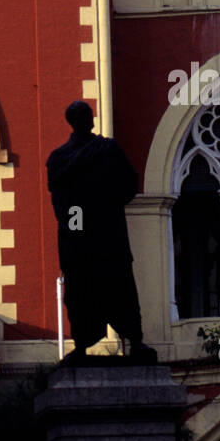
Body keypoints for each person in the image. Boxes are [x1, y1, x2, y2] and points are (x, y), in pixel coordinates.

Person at [46, 100, 156, 363]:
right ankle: (84, 344)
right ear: (78, 121)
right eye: (85, 115)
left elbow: (129, 182)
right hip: (88, 234)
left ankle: (135, 340)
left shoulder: (105, 149)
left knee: (120, 286)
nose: (90, 119)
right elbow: (60, 200)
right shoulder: (63, 157)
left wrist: (105, 207)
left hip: (103, 232)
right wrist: (88, 219)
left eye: (89, 114)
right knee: (82, 290)